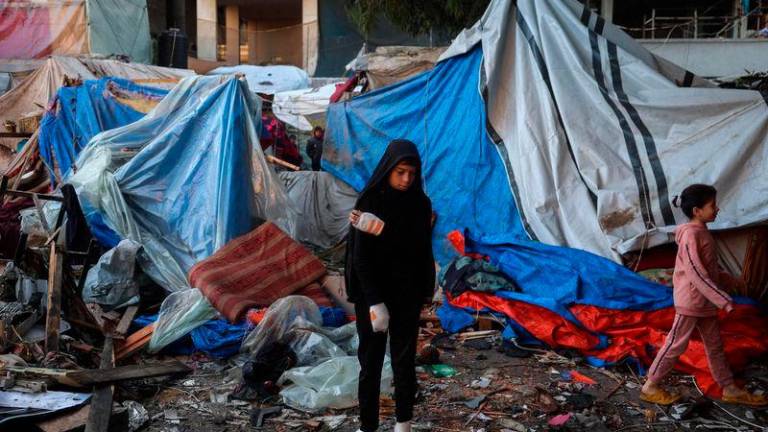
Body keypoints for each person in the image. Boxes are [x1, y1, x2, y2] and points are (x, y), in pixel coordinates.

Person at [640, 184, 767, 407]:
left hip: (704, 301)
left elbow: (708, 268)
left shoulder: (701, 232)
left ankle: (729, 388)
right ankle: (650, 386)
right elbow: (695, 271)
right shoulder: (690, 234)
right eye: (712, 205)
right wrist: (723, 298)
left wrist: (730, 280)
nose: (717, 209)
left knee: (715, 345)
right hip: (691, 300)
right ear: (697, 211)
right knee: (675, 344)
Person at [345, 139, 435, 432]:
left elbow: (421, 249)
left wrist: (425, 289)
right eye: (400, 172)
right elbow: (360, 259)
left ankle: (403, 424)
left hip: (406, 294)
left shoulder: (420, 204)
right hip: (373, 296)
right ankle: (367, 426)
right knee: (370, 365)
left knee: (404, 362)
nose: (406, 179)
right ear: (388, 169)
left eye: (411, 173)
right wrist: (373, 301)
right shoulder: (370, 202)